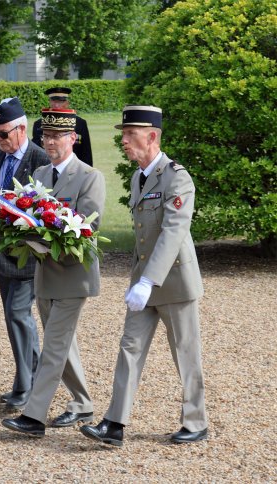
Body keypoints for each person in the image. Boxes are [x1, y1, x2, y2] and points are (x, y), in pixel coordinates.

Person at [81, 105, 208, 447]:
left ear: (151, 136)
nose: (123, 141)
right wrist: (140, 281)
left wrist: (148, 280)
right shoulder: (139, 177)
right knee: (129, 349)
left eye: (130, 135)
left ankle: (196, 422)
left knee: (185, 353)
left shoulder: (176, 177)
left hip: (174, 283)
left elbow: (173, 232)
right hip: (144, 284)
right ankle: (114, 423)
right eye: (123, 134)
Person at [2, 108, 106, 437]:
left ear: (73, 138)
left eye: (57, 136)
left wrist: (42, 236)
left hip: (74, 276)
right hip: (45, 274)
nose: (50, 142)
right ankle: (82, 403)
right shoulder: (42, 176)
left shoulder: (91, 176)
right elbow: (28, 216)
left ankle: (33, 416)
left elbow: (87, 225)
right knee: (62, 344)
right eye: (46, 136)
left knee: (54, 347)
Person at [0, 97, 49, 409]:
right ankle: (26, 379)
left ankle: (30, 386)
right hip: (2, 254)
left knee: (19, 314)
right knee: (12, 318)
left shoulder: (40, 159)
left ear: (21, 129)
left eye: (3, 133)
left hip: (28, 255)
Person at [32, 87, 93, 167]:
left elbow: (85, 152)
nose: (57, 105)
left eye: (60, 101)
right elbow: (36, 151)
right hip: (47, 168)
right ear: (50, 102)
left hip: (73, 168)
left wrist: (86, 173)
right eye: (54, 101)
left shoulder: (80, 123)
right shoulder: (39, 124)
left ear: (67, 103)